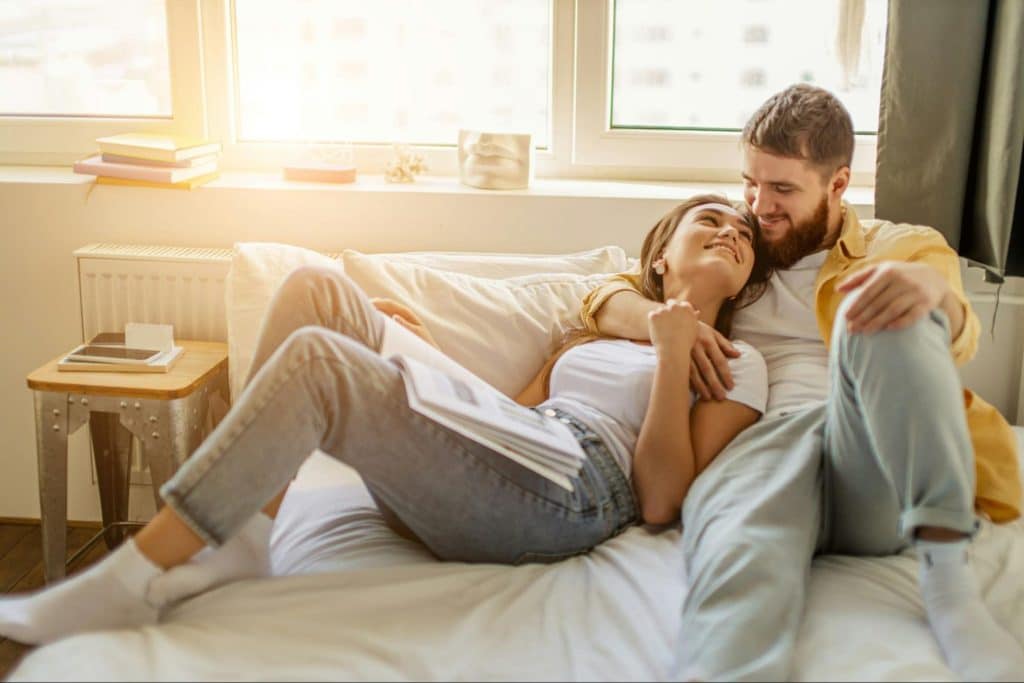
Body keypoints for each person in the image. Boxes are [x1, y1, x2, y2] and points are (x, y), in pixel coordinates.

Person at [0, 193, 771, 646]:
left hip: (578, 491)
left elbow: (660, 499)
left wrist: (674, 353)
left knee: (319, 364)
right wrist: (425, 354)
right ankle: (252, 539)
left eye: (743, 234)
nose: (732, 230)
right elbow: (513, 417)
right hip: (514, 454)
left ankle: (132, 576)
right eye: (710, 219)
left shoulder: (743, 366)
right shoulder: (590, 333)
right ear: (659, 256)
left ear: (745, 279)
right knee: (315, 292)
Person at [579, 84, 1024, 681]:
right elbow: (605, 293)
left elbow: (956, 337)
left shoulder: (901, 246)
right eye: (750, 183)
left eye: (783, 190)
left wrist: (936, 296)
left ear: (838, 184)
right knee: (743, 562)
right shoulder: (739, 248)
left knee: (885, 298)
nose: (759, 206)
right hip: (755, 456)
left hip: (870, 456)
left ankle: (949, 584)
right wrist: (672, 326)